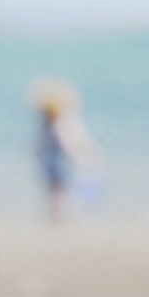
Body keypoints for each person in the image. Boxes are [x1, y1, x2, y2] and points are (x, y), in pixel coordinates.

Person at [28, 77, 102, 223]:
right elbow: (69, 143)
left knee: (54, 190)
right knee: (61, 189)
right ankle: (62, 217)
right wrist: (84, 155)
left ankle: (56, 217)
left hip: (49, 162)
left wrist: (38, 157)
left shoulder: (47, 125)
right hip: (59, 161)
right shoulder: (61, 124)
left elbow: (38, 145)